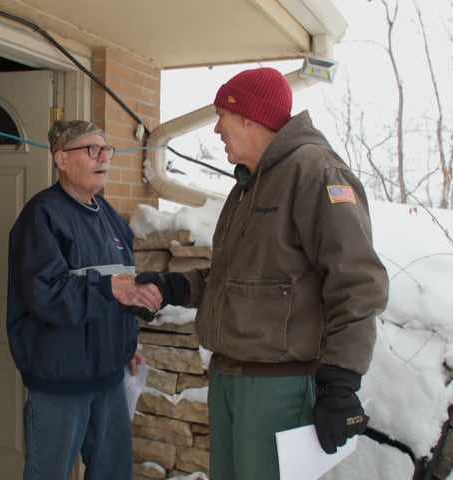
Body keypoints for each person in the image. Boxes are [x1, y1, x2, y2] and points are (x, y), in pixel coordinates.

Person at [136, 67, 389, 479]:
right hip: (230, 379)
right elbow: (237, 275)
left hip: (278, 387)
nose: (217, 127)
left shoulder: (316, 172)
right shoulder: (248, 185)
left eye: (223, 115)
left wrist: (341, 382)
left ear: (250, 117)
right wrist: (174, 285)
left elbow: (358, 283)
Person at [6, 120, 162, 480]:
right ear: (61, 158)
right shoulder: (42, 216)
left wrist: (129, 343)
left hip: (108, 378)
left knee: (113, 473)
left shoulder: (111, 219)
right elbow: (45, 295)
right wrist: (107, 288)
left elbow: (123, 288)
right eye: (92, 149)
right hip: (60, 382)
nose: (103, 157)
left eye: (106, 149)